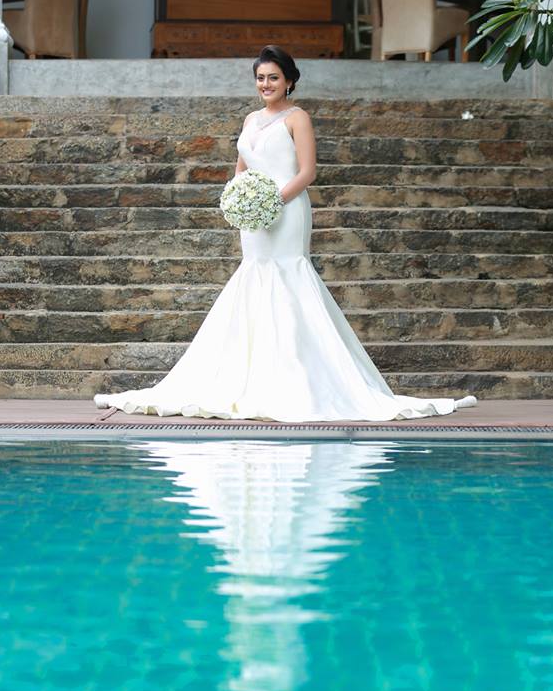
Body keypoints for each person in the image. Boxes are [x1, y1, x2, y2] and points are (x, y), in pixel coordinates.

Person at [93, 44, 477, 421]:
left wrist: (273, 201)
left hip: (288, 210)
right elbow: (242, 168)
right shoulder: (250, 119)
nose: (266, 84)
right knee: (254, 275)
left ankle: (299, 378)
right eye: (260, 78)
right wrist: (240, 199)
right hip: (254, 217)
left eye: (273, 78)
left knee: (289, 276)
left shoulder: (297, 118)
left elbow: (307, 172)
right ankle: (249, 377)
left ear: (289, 81)